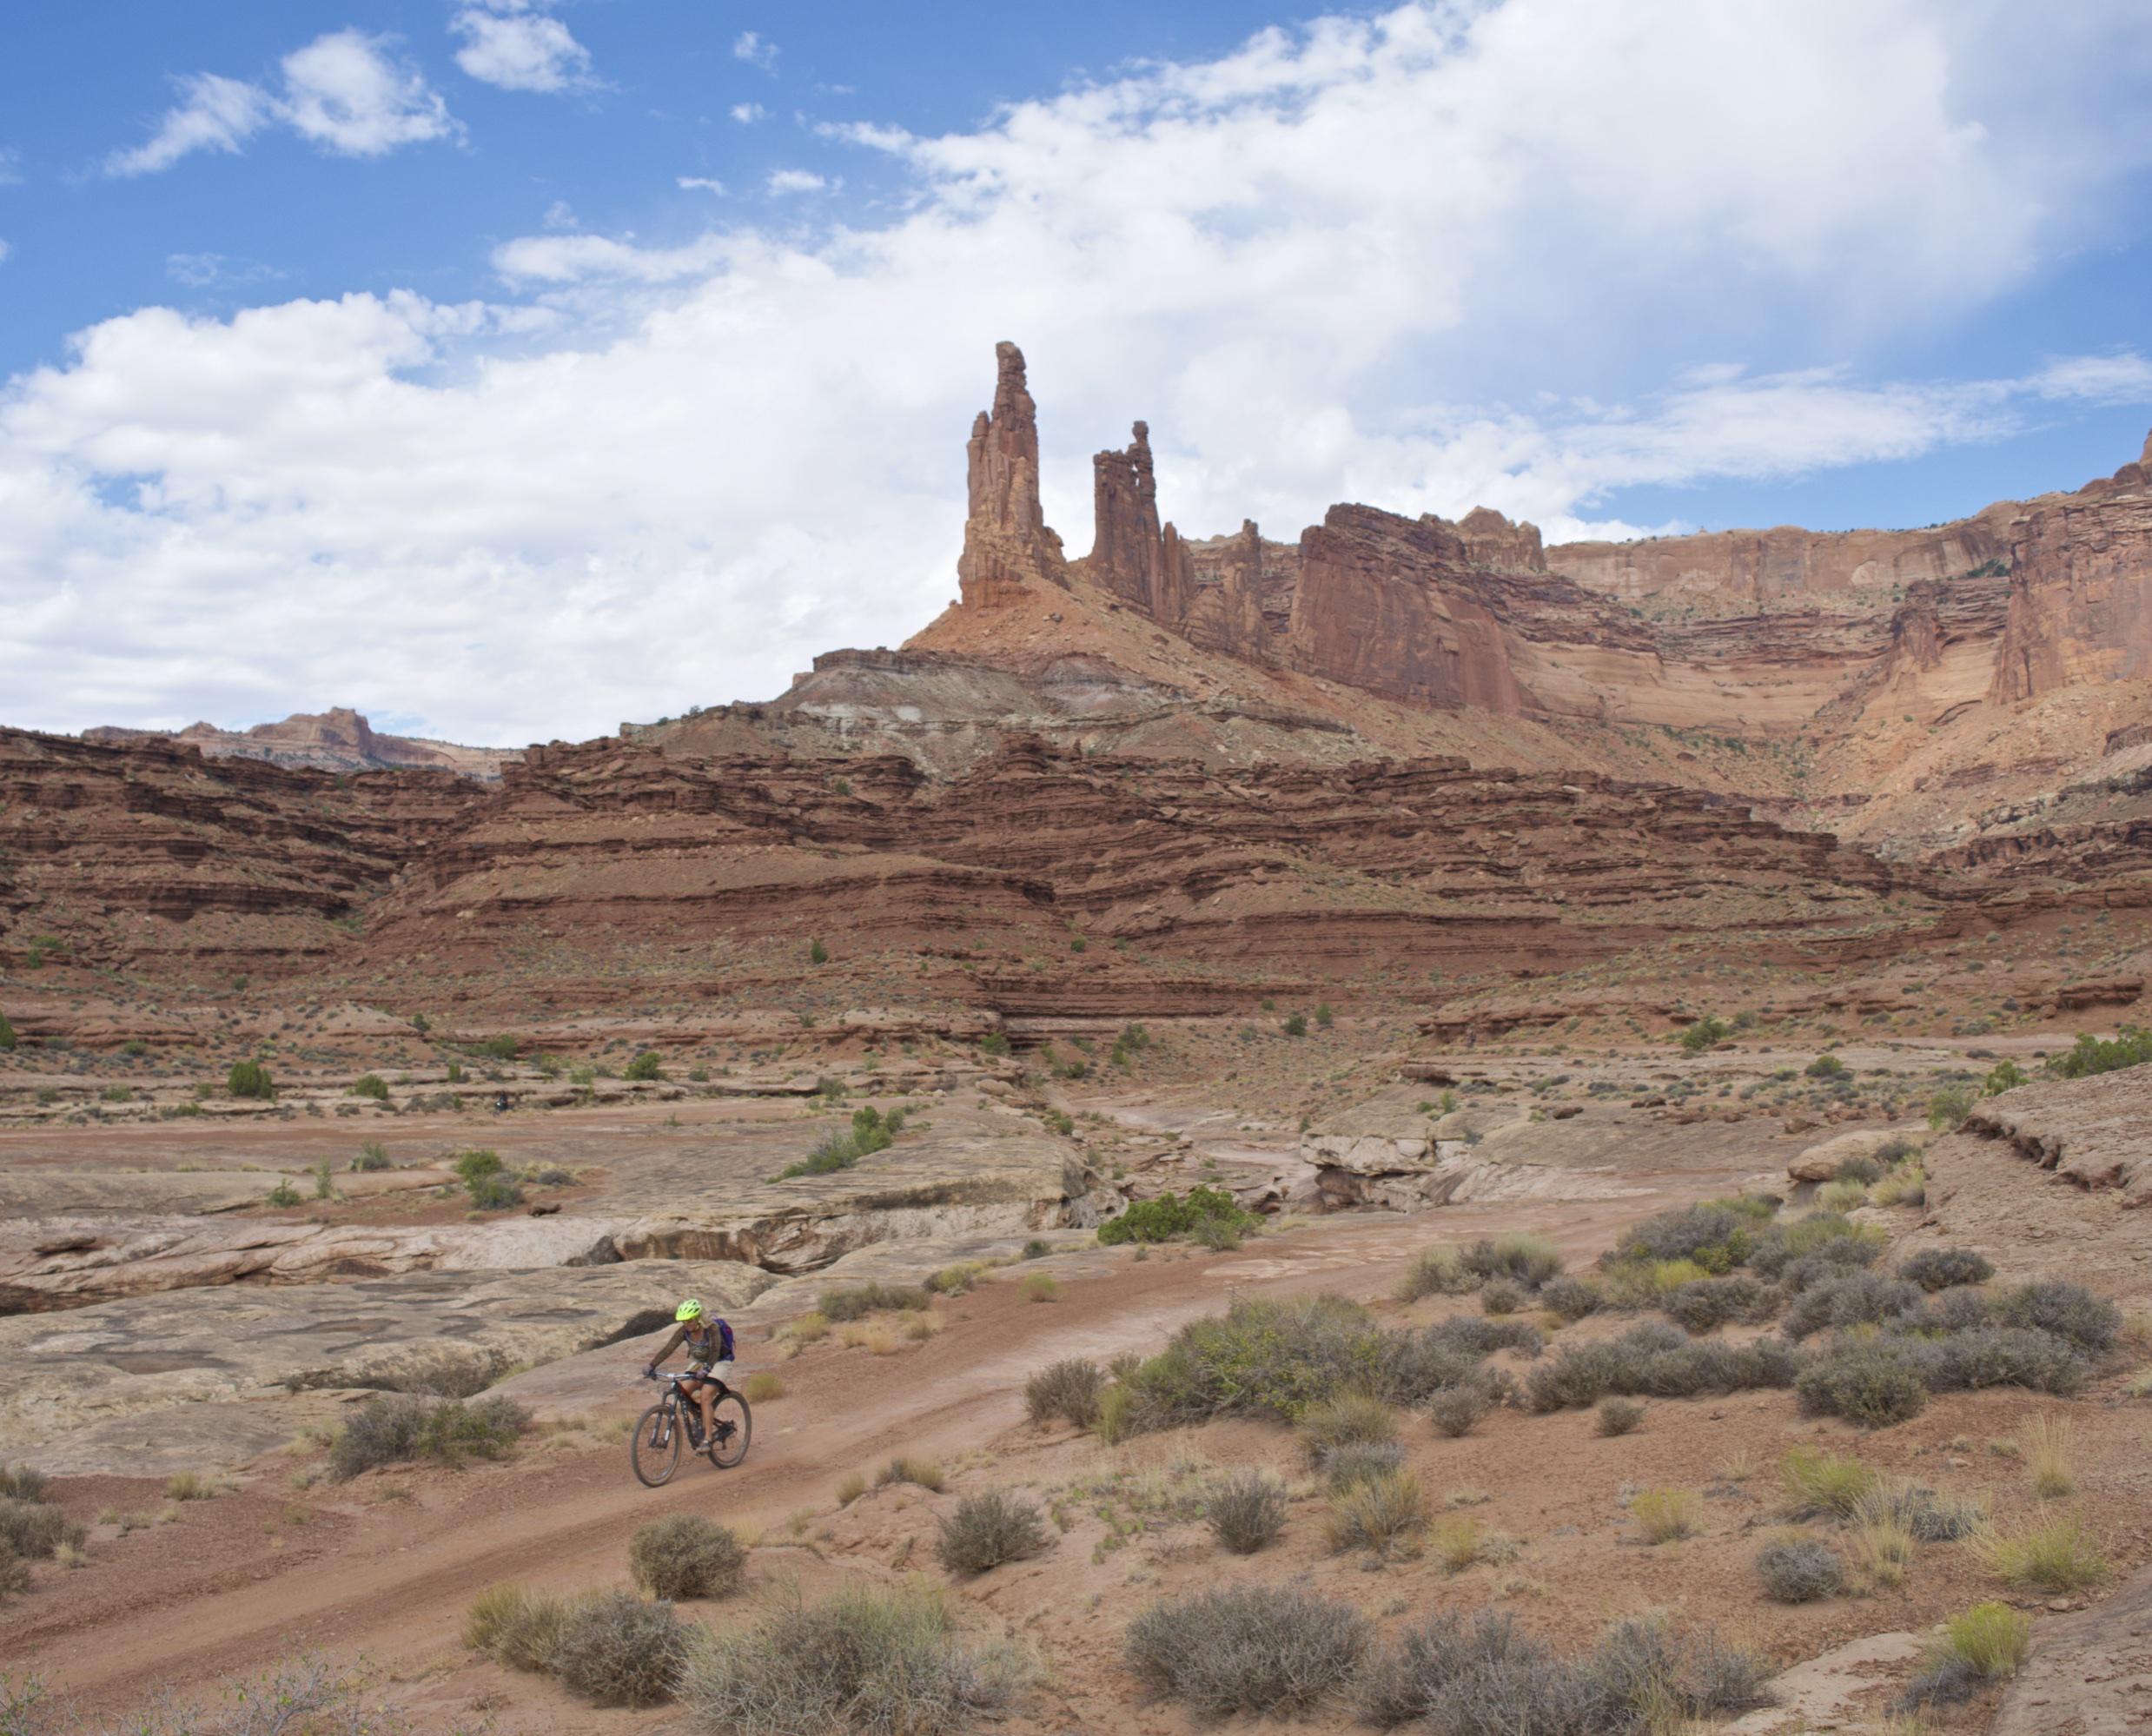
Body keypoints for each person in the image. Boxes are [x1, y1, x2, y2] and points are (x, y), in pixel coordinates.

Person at [644, 1298, 735, 1454]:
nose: (686, 1324)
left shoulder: (711, 1329)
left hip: (719, 1362)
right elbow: (669, 1348)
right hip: (699, 1362)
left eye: (689, 1320)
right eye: (684, 1321)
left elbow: (714, 1351)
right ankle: (700, 1417)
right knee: (683, 1392)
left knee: (706, 1395)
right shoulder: (684, 1331)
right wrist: (652, 1365)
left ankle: (707, 1439)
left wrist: (707, 1370)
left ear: (697, 1318)